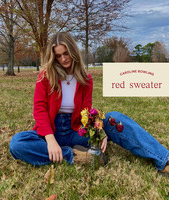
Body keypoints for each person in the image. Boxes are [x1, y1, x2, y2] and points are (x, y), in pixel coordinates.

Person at [9, 32, 169, 176]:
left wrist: (99, 131)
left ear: (73, 52)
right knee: (17, 144)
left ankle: (163, 160)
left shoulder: (85, 78)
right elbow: (39, 109)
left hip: (76, 131)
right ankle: (77, 156)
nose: (63, 59)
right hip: (52, 132)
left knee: (115, 119)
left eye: (66, 54)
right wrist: (50, 140)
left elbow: (86, 110)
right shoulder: (46, 76)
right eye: (58, 56)